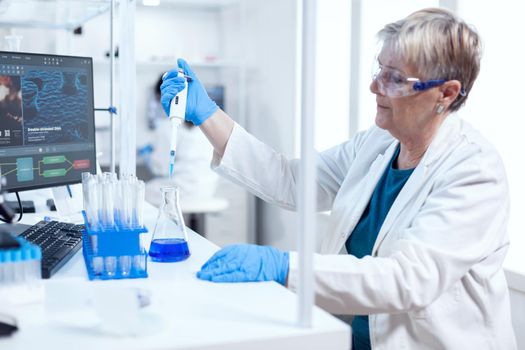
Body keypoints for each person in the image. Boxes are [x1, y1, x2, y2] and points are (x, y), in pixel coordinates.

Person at [160, 8, 516, 349]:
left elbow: (406, 280)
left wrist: (283, 266)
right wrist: (207, 115)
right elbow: (292, 180)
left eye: (395, 79)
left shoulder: (474, 173)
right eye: (379, 70)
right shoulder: (379, 143)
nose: (376, 86)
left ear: (447, 93)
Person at [145, 74, 218, 207]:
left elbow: (161, 169)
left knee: (140, 193)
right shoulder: (202, 121)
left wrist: (149, 158)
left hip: (184, 189)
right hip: (207, 188)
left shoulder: (167, 126)